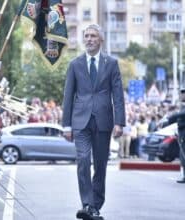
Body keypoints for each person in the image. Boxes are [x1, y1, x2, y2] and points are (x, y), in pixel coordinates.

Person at [62, 24, 125, 220]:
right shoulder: (75, 64)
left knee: (100, 164)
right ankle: (87, 204)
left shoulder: (111, 63)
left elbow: (118, 95)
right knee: (82, 160)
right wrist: (66, 125)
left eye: (93, 36)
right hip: (80, 121)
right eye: (86, 36)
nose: (89, 39)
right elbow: (68, 95)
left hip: (104, 121)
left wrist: (120, 122)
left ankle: (96, 205)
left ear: (100, 40)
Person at [162, 88, 185, 184]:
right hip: (181, 132)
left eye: (183, 93)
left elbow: (180, 115)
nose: (181, 95)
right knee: (182, 155)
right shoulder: (182, 106)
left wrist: (170, 118)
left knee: (183, 154)